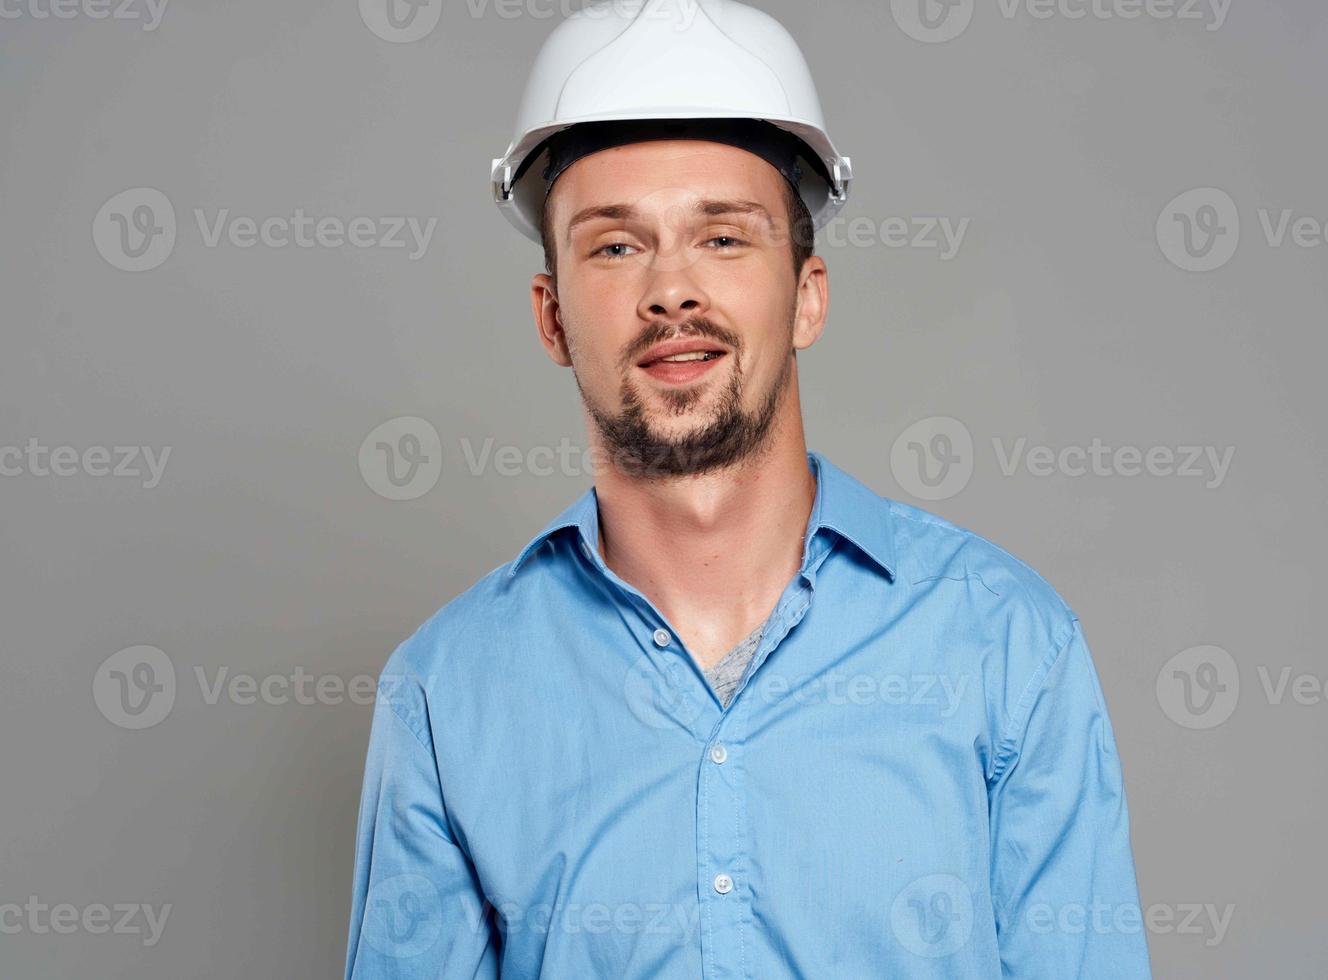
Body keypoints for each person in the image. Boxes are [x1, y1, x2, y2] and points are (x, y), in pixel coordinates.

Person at [344, 1, 1151, 976]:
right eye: (615, 244)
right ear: (551, 317)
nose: (672, 290)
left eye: (723, 238)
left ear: (807, 293)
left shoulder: (1007, 646)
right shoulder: (447, 692)